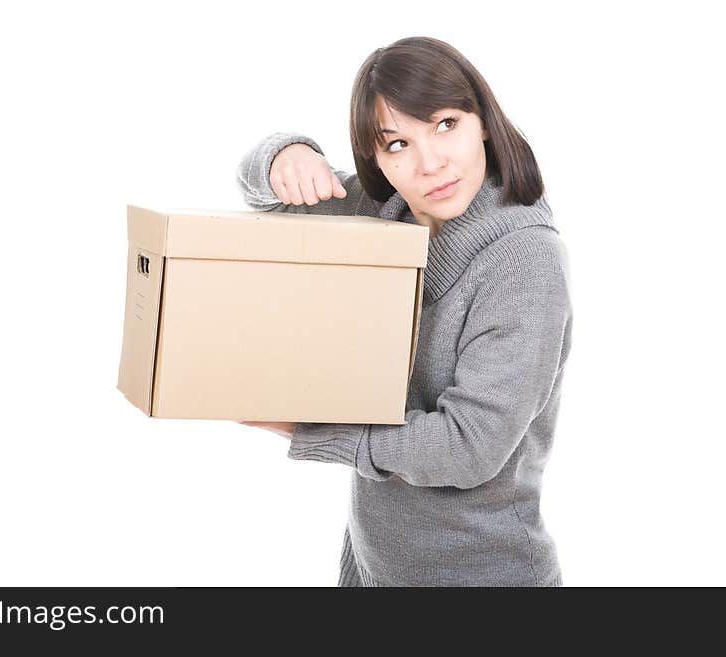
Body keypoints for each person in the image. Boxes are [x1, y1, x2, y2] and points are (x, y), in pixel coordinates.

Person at [234, 36, 572, 587]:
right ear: (377, 158)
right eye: (397, 144)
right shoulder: (385, 211)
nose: (430, 163)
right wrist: (286, 154)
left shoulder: (525, 261)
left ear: (482, 121)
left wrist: (313, 429)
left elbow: (469, 448)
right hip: (374, 568)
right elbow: (259, 192)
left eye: (445, 125)